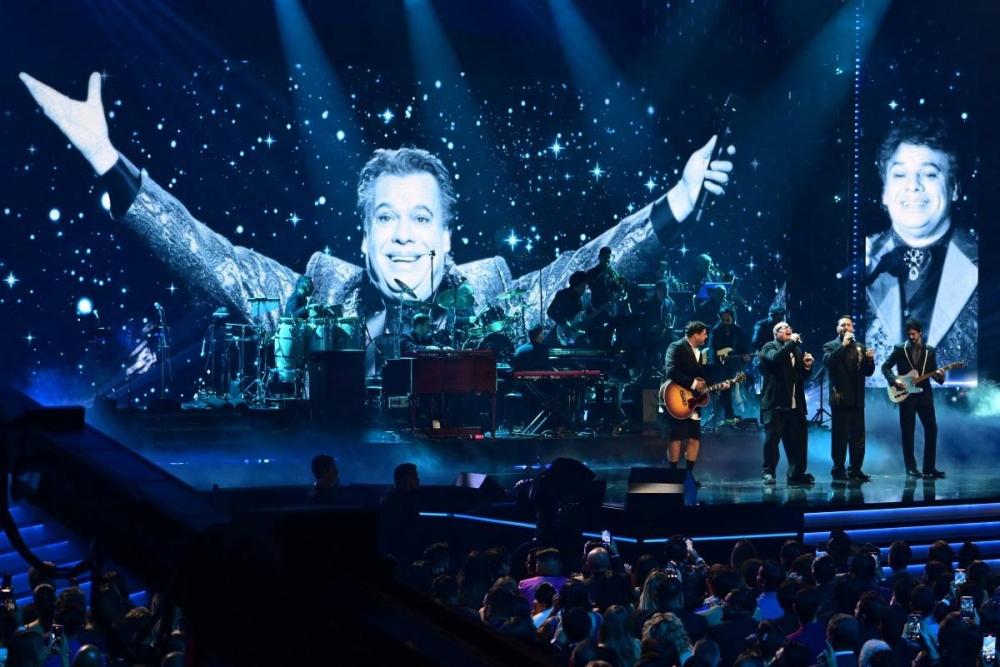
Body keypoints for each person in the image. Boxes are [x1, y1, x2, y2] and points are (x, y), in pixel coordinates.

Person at [20, 71, 735, 376]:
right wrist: (108, 160)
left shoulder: (491, 294)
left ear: (446, 237)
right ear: (362, 238)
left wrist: (672, 206)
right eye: (385, 218)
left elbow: (586, 268)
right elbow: (212, 256)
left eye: (420, 218)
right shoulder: (320, 293)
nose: (402, 234)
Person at [865, 116, 976, 381]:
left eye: (929, 174)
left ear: (955, 188)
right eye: (900, 174)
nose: (912, 186)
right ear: (884, 191)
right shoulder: (856, 260)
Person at [662, 321, 727, 488]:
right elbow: (670, 370)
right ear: (695, 334)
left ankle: (688, 476)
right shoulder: (675, 347)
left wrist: (718, 386)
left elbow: (702, 376)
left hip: (693, 403)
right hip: (677, 398)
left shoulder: (698, 353)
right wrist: (691, 384)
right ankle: (673, 476)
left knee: (694, 437)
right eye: (704, 333)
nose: (706, 336)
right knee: (676, 436)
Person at [880, 318, 946, 479]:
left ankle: (929, 468)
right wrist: (894, 380)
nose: (911, 337)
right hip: (906, 397)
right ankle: (910, 467)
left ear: (921, 332)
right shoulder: (900, 349)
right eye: (909, 334)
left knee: (932, 429)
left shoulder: (929, 350)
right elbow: (885, 367)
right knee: (907, 432)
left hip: (925, 397)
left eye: (914, 334)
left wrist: (941, 376)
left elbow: (934, 373)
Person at [759, 322, 815, 485]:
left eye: (790, 327)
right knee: (773, 439)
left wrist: (806, 366)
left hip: (794, 403)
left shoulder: (796, 350)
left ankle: (796, 473)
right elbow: (775, 359)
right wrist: (791, 344)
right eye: (784, 328)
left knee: (798, 440)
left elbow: (800, 377)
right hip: (775, 403)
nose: (789, 328)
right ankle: (768, 471)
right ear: (776, 333)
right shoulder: (769, 347)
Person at [822, 316, 876, 482]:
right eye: (842, 325)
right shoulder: (830, 346)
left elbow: (868, 372)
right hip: (840, 399)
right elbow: (829, 362)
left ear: (853, 328)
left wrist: (870, 360)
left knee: (858, 437)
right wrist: (843, 345)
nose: (846, 327)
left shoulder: (860, 347)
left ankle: (855, 469)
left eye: (849, 325)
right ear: (837, 328)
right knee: (840, 437)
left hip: (857, 399)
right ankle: (838, 470)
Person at [708, 307, 750, 422]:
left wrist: (745, 356)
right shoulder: (716, 331)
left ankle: (726, 414)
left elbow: (743, 347)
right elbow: (712, 349)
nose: (726, 323)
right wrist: (716, 362)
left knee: (738, 384)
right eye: (724, 320)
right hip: (719, 365)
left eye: (728, 320)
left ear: (732, 318)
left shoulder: (737, 330)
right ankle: (726, 414)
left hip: (734, 363)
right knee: (725, 387)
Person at [546, 271, 591, 346]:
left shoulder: (584, 297)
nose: (584, 289)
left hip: (578, 333)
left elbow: (589, 312)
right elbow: (550, 311)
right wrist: (564, 322)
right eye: (583, 286)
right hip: (563, 331)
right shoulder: (562, 294)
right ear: (576, 285)